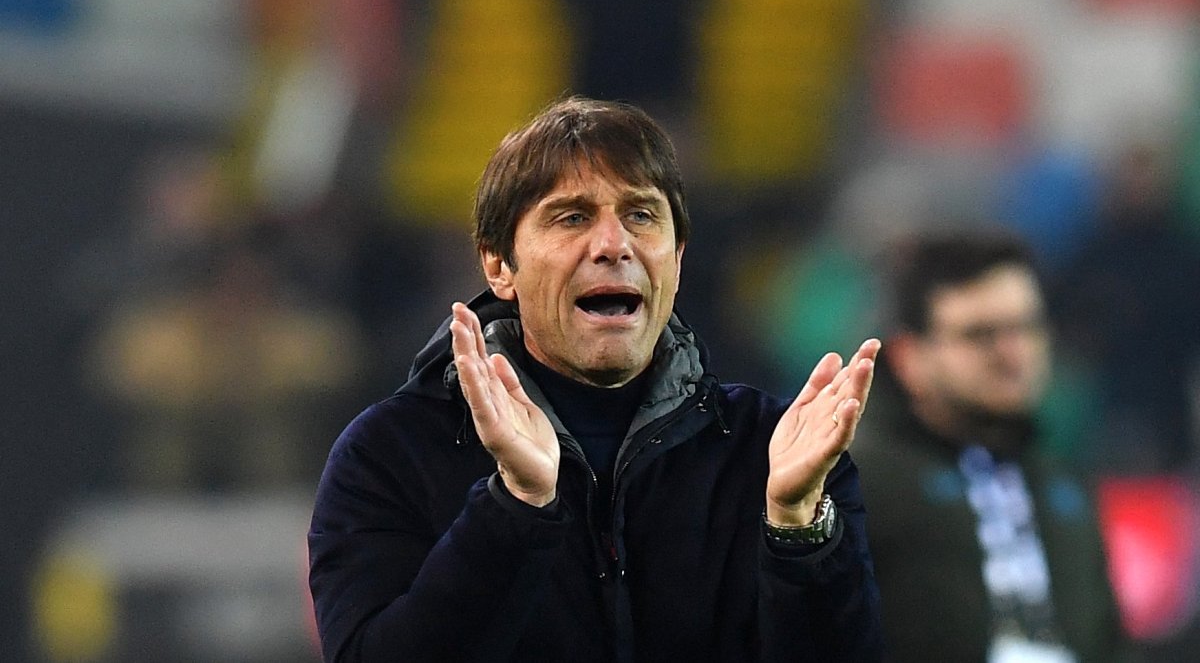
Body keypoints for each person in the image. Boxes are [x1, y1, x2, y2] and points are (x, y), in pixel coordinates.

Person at [306, 97, 884, 662]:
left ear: (677, 258)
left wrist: (796, 531)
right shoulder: (389, 453)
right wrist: (516, 508)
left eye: (640, 215)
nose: (613, 246)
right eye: (572, 217)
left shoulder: (774, 452)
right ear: (499, 265)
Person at [851, 232, 1131, 662]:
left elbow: (1112, 643)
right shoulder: (861, 481)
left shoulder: (1064, 482)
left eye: (1026, 326)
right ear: (909, 356)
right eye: (980, 334)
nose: (1012, 352)